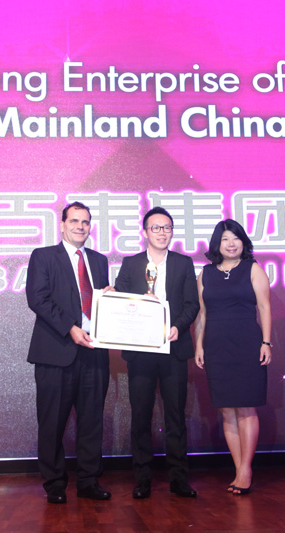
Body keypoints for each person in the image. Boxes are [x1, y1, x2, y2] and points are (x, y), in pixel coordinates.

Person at [25, 201, 112, 504]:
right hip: (56, 351)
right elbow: (38, 298)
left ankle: (88, 481)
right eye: (74, 221)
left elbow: (100, 301)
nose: (80, 226)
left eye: (85, 222)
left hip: (94, 351)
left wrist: (112, 300)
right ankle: (55, 484)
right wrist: (70, 328)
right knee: (52, 423)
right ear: (62, 225)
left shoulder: (99, 261)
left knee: (92, 422)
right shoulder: (43, 256)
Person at [114, 207, 200, 499]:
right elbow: (121, 300)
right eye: (156, 227)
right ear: (145, 232)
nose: (162, 232)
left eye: (167, 227)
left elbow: (192, 304)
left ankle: (178, 478)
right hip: (141, 351)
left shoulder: (183, 263)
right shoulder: (131, 264)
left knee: (175, 416)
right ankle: (142, 479)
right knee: (141, 415)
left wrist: (177, 326)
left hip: (173, 349)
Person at [194, 219, 272, 495]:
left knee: (246, 408)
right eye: (225, 239)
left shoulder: (253, 269)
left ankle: (245, 470)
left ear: (243, 242)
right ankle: (239, 469)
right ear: (217, 244)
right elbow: (202, 314)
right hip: (216, 346)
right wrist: (199, 345)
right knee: (227, 410)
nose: (231, 243)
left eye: (236, 238)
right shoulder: (205, 274)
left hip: (247, 344)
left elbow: (264, 307)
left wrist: (266, 342)